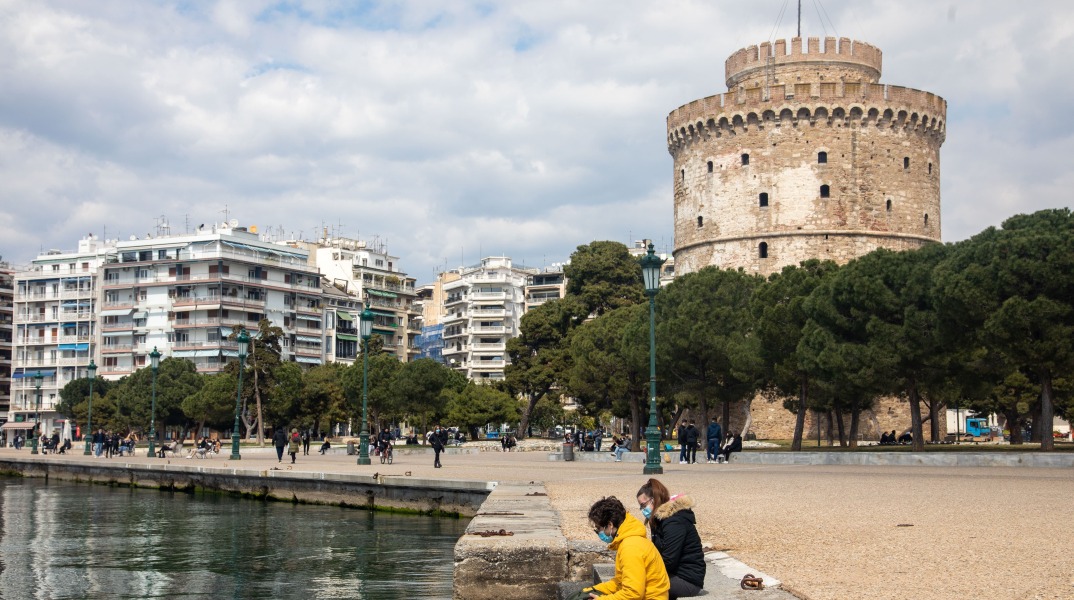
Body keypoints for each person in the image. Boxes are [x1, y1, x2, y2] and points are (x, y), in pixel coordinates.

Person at [579, 496, 670, 599]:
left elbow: (633, 593)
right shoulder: (629, 540)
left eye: (598, 529)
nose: (599, 533)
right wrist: (595, 590)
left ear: (610, 525)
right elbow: (619, 582)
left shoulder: (630, 547)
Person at [637, 479, 706, 599]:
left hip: (687, 579)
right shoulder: (659, 520)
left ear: (654, 500)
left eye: (643, 505)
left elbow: (669, 560)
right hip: (673, 574)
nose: (642, 509)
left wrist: (645, 572)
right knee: (634, 582)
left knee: (640, 587)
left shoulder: (674, 522)